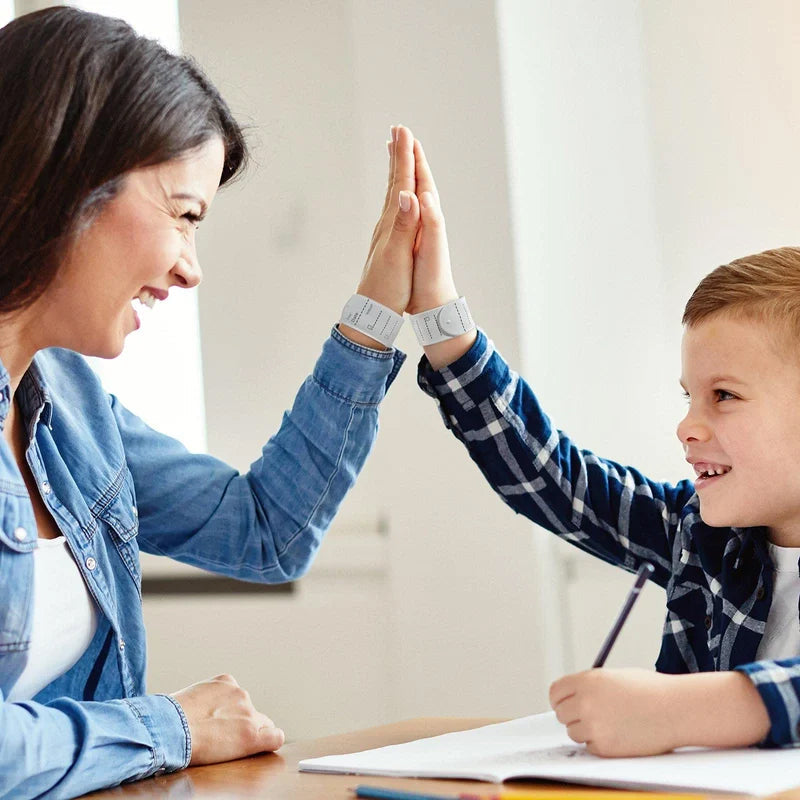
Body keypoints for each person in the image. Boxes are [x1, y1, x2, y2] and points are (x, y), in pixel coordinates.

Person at [0, 7, 423, 797]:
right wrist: (176, 726)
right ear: (67, 179)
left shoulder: (74, 408)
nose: (192, 269)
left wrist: (374, 313)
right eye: (184, 215)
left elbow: (266, 533)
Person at [404, 138, 800, 756]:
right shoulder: (700, 534)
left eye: (724, 395)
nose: (687, 427)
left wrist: (690, 710)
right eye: (687, 397)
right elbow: (554, 481)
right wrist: (438, 317)